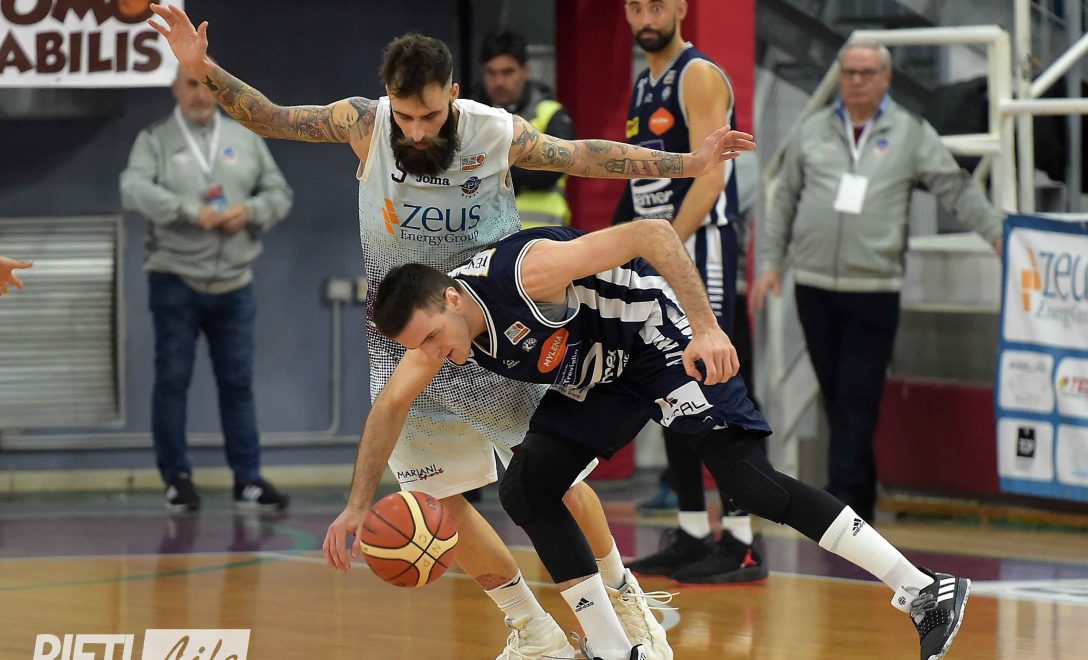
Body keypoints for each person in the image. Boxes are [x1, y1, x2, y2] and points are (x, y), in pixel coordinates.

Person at [149, 6, 750, 657]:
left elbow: (584, 156)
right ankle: (535, 631)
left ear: (453, 95)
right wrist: (203, 70)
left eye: (430, 116)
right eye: (406, 116)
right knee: (434, 491)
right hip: (409, 329)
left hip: (495, 318)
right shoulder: (366, 124)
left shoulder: (495, 131)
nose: (415, 130)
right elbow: (271, 116)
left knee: (554, 475)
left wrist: (689, 163)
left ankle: (622, 596)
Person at [367, 219, 971, 660]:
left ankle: (924, 589)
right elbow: (389, 407)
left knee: (749, 485)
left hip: (657, 341)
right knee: (527, 487)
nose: (431, 354)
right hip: (605, 379)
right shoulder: (446, 333)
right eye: (419, 347)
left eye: (431, 338)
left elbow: (653, 233)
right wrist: (354, 505)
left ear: (452, 299)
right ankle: (613, 650)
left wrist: (706, 327)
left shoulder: (528, 272)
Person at [750, 43, 1005, 524]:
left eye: (866, 73)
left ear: (886, 77)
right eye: (848, 72)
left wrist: (995, 233)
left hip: (875, 287)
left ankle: (839, 503)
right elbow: (784, 198)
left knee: (857, 395)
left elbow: (952, 185)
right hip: (814, 286)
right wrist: (771, 263)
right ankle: (858, 499)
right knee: (835, 395)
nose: (856, 81)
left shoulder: (909, 133)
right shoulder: (812, 129)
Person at [615, 0, 762, 584]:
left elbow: (712, 177)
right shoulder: (643, 83)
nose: (645, 17)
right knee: (669, 383)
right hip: (663, 248)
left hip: (701, 246)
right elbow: (637, 178)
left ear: (679, 7)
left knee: (716, 383)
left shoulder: (696, 75)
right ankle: (693, 530)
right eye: (635, 6)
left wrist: (666, 244)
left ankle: (744, 538)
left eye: (656, 5)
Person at [120, 65, 294, 513]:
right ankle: (177, 479)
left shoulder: (245, 138)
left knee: (238, 383)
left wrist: (251, 211)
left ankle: (248, 480)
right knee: (172, 381)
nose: (200, 94)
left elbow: (279, 193)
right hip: (174, 280)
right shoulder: (155, 140)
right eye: (191, 85)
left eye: (207, 85)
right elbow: (132, 189)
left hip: (235, 283)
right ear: (175, 88)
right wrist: (187, 210)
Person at [478, 29, 574, 229]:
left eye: (507, 72)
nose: (499, 82)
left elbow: (549, 171)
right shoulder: (470, 114)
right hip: (483, 234)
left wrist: (489, 163)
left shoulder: (550, 113)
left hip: (541, 233)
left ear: (526, 71)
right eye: (491, 73)